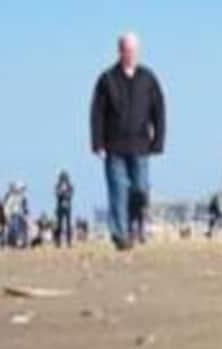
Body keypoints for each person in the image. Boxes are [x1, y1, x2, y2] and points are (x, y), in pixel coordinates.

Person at [90, 31, 168, 251]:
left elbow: (159, 110)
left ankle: (133, 223)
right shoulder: (107, 79)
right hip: (113, 146)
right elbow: (97, 113)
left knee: (139, 190)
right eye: (127, 50)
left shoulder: (148, 78)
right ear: (120, 51)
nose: (131, 54)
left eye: (134, 50)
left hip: (141, 146)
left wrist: (158, 140)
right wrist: (97, 143)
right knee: (118, 191)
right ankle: (120, 236)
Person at [55, 171, 75, 247]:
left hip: (67, 207)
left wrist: (65, 193)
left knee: (68, 225)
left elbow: (70, 195)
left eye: (64, 177)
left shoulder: (70, 186)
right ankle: (58, 242)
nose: (63, 179)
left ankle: (69, 242)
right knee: (59, 225)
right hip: (59, 207)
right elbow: (57, 194)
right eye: (62, 177)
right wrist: (62, 192)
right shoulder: (57, 185)